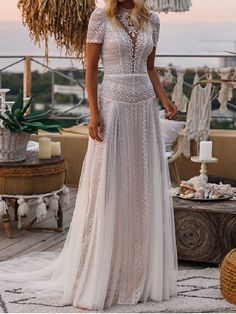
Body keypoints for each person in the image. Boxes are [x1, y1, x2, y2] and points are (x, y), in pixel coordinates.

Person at [0, 0, 178, 311]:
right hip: (113, 108)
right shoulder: (100, 17)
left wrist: (165, 101)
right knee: (107, 184)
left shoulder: (153, 21)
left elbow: (150, 68)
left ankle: (136, 271)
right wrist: (94, 114)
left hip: (144, 110)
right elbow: (91, 68)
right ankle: (99, 269)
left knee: (141, 185)